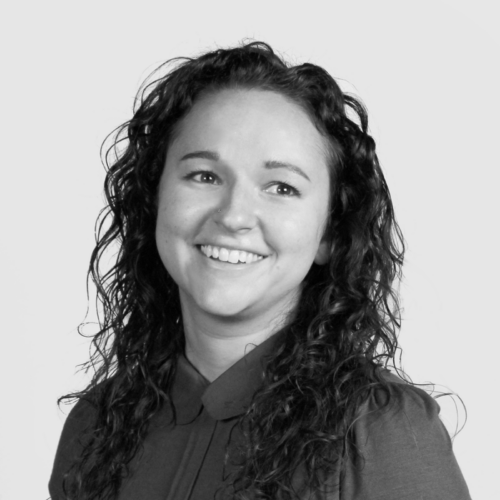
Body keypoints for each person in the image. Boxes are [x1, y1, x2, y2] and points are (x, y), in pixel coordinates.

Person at [49, 42, 471, 500]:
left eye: (281, 187)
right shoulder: (96, 428)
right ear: (154, 200)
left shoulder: (377, 429)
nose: (233, 216)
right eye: (204, 176)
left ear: (330, 235)